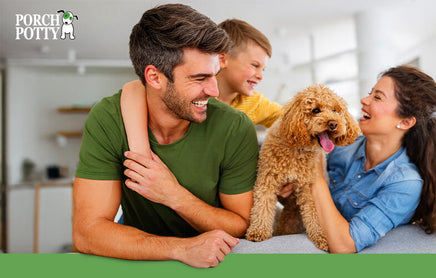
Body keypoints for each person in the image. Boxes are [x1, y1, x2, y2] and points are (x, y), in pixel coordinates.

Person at [72, 4, 259, 268]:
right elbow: (87, 233)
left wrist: (173, 195)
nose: (215, 90)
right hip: (139, 259)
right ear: (154, 77)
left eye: (215, 75)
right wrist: (181, 249)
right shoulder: (108, 119)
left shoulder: (233, 126)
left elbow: (241, 224)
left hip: (219, 262)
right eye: (199, 78)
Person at [307, 65, 436, 253]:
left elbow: (345, 244)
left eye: (377, 97)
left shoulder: (405, 183)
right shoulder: (344, 146)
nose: (364, 100)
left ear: (405, 121)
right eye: (370, 93)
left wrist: (314, 173)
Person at [121, 18, 282, 158]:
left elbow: (294, 119)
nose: (260, 75)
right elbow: (133, 89)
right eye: (255, 65)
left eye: (263, 69)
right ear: (222, 59)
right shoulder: (192, 96)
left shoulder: (256, 104)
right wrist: (141, 151)